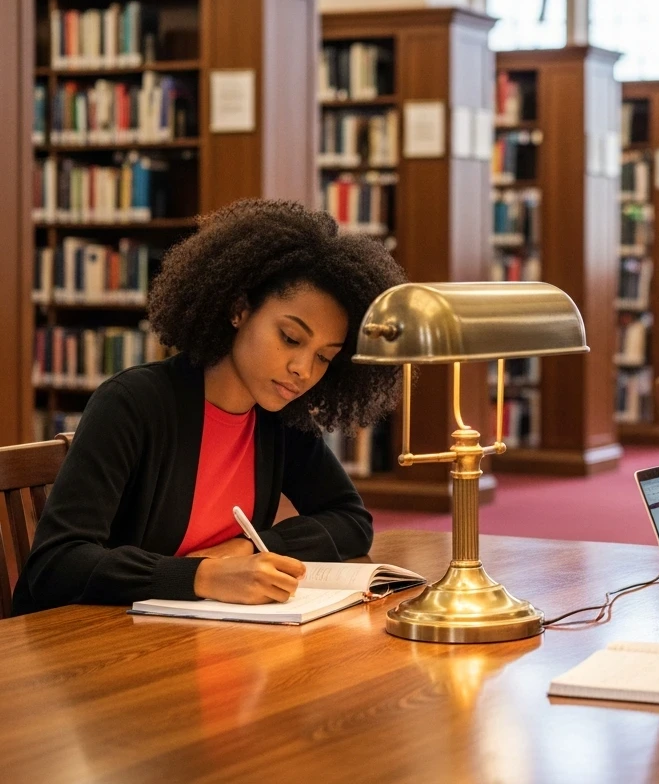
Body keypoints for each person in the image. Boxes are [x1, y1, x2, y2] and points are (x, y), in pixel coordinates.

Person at [14, 199, 405, 614]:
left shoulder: (278, 417)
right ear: (239, 310)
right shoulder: (132, 404)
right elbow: (56, 565)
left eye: (324, 356)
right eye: (290, 338)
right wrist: (202, 576)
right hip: (98, 646)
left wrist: (247, 548)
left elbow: (350, 520)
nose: (302, 369)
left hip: (204, 640)